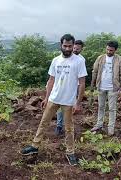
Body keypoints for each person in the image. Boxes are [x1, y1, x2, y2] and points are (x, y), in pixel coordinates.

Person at [21, 34, 87, 166]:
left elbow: (82, 82)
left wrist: (78, 102)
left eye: (70, 46)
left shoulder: (79, 61)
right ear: (60, 45)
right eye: (65, 46)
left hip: (68, 101)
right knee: (44, 122)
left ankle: (70, 152)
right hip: (54, 98)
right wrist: (46, 98)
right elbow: (51, 80)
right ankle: (35, 145)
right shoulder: (55, 60)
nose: (68, 49)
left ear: (73, 45)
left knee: (69, 128)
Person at [90, 40, 121, 136]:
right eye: (107, 49)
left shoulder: (120, 60)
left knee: (112, 108)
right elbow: (95, 71)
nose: (108, 52)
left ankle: (111, 129)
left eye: (111, 50)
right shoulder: (100, 58)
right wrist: (92, 84)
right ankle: (99, 125)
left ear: (115, 50)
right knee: (100, 106)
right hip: (101, 86)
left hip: (113, 88)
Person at [55, 40, 86, 135]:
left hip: (75, 87)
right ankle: (59, 126)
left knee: (71, 107)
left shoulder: (81, 60)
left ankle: (68, 128)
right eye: (75, 48)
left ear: (81, 49)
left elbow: (81, 78)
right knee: (61, 106)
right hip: (64, 86)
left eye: (78, 49)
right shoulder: (62, 57)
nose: (75, 50)